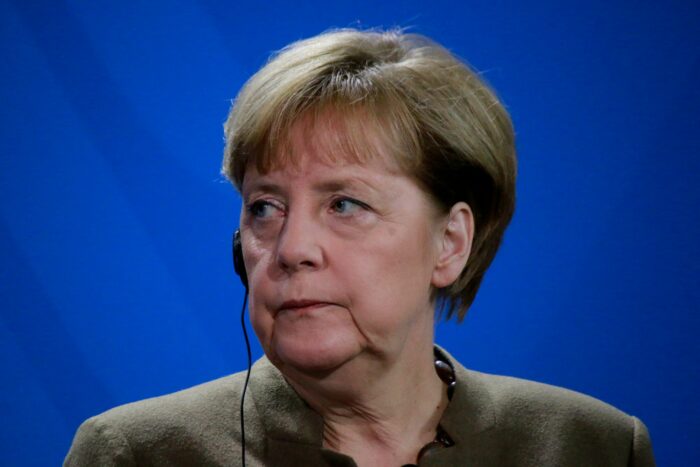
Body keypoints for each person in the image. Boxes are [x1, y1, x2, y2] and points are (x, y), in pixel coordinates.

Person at [64, 29, 655, 466]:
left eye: (345, 204)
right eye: (265, 207)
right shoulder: (136, 454)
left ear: (449, 243)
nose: (292, 248)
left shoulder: (592, 446)